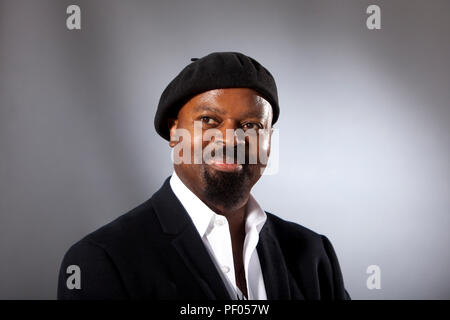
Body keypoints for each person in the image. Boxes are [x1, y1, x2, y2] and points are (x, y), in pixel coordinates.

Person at [57, 52, 350, 300]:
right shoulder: (103, 260)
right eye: (209, 120)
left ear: (270, 140)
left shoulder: (313, 255)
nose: (230, 139)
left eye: (251, 125)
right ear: (174, 131)